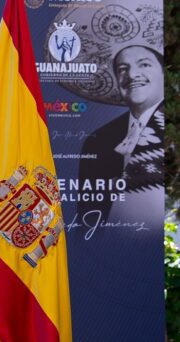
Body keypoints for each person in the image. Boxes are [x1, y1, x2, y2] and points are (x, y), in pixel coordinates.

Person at [78, 45, 164, 225]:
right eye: (123, 69)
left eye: (144, 65)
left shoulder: (172, 125)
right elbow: (89, 216)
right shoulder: (98, 140)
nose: (132, 75)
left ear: (164, 73)